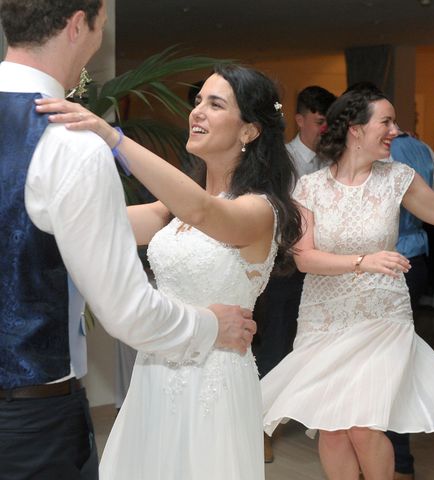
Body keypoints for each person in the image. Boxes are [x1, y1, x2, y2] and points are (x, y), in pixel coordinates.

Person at [0, 2, 254, 479]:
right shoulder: (68, 144)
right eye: (101, 24)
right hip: (29, 422)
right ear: (78, 24)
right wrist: (209, 327)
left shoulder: (257, 206)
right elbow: (127, 311)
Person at [261, 87, 434, 479]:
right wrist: (363, 261)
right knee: (331, 428)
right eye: (387, 121)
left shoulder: (398, 178)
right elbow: (305, 258)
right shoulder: (309, 188)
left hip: (382, 316)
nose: (397, 130)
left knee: (363, 425)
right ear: (356, 130)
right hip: (325, 318)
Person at [38, 63, 302, 479]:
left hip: (213, 381)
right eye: (198, 101)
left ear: (249, 131)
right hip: (155, 371)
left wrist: (112, 136)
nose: (197, 111)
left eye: (215, 104)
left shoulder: (258, 210)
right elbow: (98, 223)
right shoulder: (172, 211)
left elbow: (202, 210)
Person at [255, 85, 335, 462]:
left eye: (330, 123)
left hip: (325, 268)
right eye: (320, 121)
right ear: (300, 119)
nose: (325, 129)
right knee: (276, 344)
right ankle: (260, 426)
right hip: (285, 267)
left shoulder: (334, 162)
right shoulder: (279, 160)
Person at [386, 131, 434, 480]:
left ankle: (394, 461)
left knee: (389, 366)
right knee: (391, 364)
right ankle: (397, 463)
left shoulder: (372, 153)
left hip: (389, 266)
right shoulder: (420, 147)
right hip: (411, 262)